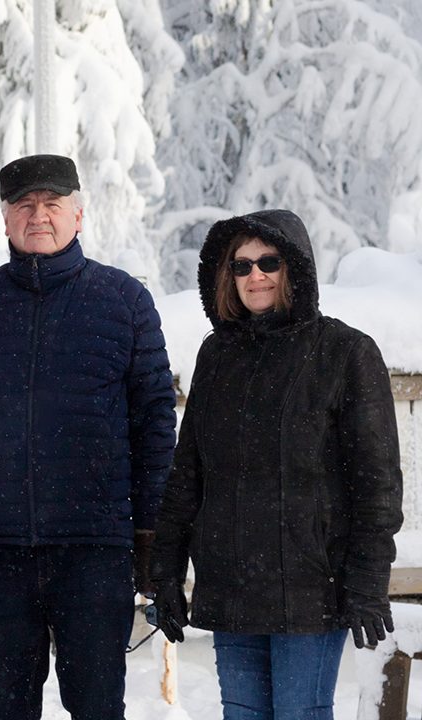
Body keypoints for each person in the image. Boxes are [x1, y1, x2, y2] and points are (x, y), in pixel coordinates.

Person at [0, 154, 177, 720]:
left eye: (53, 204)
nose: (39, 215)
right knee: (5, 710)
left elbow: (155, 423)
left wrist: (153, 542)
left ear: (79, 216)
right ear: (6, 217)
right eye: (24, 205)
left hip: (94, 551)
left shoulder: (123, 301)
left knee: (97, 707)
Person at [149, 209, 404, 718]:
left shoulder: (344, 352)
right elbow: (188, 475)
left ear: (296, 269)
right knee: (242, 714)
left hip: (311, 585)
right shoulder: (217, 355)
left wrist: (368, 584)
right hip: (231, 583)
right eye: (241, 266)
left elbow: (376, 485)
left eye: (269, 261)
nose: (255, 275)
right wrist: (166, 574)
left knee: (300, 712)